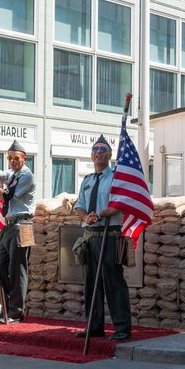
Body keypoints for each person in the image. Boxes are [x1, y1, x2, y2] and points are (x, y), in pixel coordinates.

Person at [73, 135, 132, 342]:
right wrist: (85, 217)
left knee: (113, 282)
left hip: (111, 234)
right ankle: (94, 326)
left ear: (109, 155)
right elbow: (79, 205)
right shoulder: (87, 180)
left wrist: (103, 214)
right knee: (92, 284)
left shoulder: (116, 178)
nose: (99, 152)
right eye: (95, 149)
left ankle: (122, 328)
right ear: (91, 155)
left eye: (103, 149)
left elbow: (122, 203)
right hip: (91, 236)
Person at [0, 140, 36, 323]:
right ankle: (5, 308)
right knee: (0, 268)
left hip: (24, 224)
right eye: (10, 158)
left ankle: (16, 312)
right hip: (9, 224)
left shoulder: (27, 176)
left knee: (18, 269)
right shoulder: (12, 174)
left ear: (24, 159)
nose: (12, 161)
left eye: (16, 158)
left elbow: (6, 196)